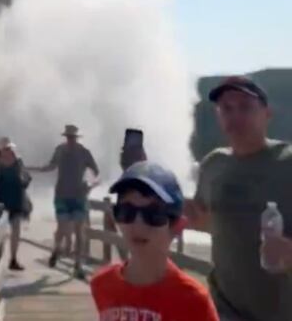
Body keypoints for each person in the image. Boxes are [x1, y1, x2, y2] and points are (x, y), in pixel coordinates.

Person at [184, 75, 292, 320]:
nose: (235, 116)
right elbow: (212, 225)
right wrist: (191, 218)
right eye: (227, 109)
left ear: (267, 114)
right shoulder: (213, 165)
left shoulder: (287, 163)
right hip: (225, 308)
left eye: (245, 107)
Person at [90, 161, 219, 320]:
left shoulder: (193, 300)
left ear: (177, 227)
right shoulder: (102, 284)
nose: (137, 223)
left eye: (153, 214)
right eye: (126, 211)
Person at [31, 124, 100, 280]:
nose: (70, 140)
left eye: (72, 138)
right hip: (62, 195)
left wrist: (91, 184)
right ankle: (56, 249)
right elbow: (50, 166)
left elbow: (96, 172)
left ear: (77, 138)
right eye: (68, 137)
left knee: (79, 230)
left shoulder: (84, 152)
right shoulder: (60, 150)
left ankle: (78, 265)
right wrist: (32, 169)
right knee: (62, 228)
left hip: (78, 195)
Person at [0, 138, 30, 271]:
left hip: (16, 199)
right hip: (0, 200)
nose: (9, 151)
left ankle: (13, 259)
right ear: (0, 151)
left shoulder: (18, 161)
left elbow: (26, 178)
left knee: (16, 230)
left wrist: (24, 181)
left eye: (10, 148)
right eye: (6, 149)